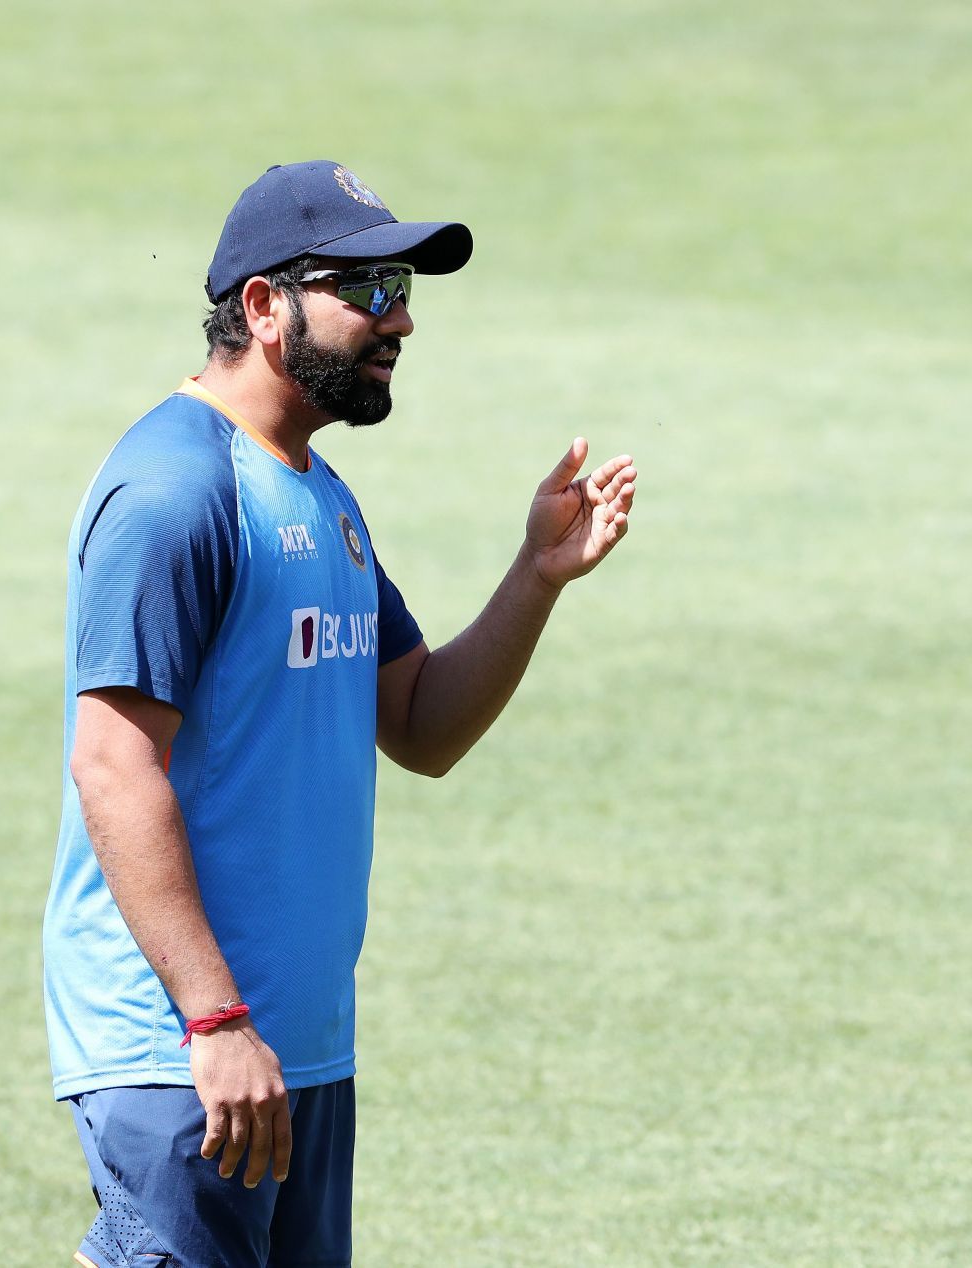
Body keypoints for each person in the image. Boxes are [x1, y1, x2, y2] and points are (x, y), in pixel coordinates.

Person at [43, 161, 638, 1268]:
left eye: (401, 283)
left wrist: (536, 575)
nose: (400, 315)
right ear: (264, 306)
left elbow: (421, 723)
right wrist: (214, 1021)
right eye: (364, 287)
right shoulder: (177, 490)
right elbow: (114, 765)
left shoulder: (318, 493)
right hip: (183, 1050)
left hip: (297, 1047)